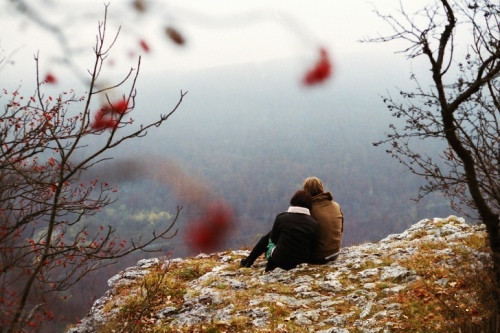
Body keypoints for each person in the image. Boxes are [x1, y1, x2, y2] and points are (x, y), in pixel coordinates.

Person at [241, 190, 318, 272]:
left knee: (269, 236)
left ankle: (249, 261)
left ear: (293, 201)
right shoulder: (314, 223)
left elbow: (273, 240)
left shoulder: (281, 218)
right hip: (302, 262)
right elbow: (313, 246)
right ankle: (249, 260)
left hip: (279, 261)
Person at [302, 177, 344, 264]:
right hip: (335, 253)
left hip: (318, 257)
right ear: (321, 188)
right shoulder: (336, 205)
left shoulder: (309, 210)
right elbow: (341, 229)